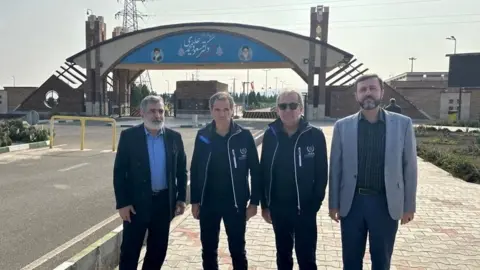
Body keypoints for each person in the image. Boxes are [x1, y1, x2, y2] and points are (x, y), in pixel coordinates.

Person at [328, 74, 418, 270]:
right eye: (363, 89)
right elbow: (335, 168)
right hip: (352, 204)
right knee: (351, 262)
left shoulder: (402, 125)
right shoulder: (342, 127)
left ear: (381, 92)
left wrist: (408, 206)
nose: (368, 93)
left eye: (372, 88)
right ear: (356, 96)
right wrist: (333, 204)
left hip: (385, 204)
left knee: (382, 262)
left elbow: (409, 167)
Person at [113, 95, 188, 270]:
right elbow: (119, 172)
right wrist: (123, 203)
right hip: (136, 205)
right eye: (153, 111)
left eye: (161, 111)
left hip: (163, 203)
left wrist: (181, 198)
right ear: (142, 113)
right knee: (130, 251)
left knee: (157, 250)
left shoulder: (174, 138)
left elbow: (181, 171)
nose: (158, 115)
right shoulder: (129, 137)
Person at [190, 92, 261, 270]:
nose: (222, 114)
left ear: (232, 110)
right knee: (208, 250)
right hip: (208, 203)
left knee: (237, 250)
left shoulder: (243, 136)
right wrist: (195, 200)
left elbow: (256, 171)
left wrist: (254, 203)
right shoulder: (203, 135)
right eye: (217, 109)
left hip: (235, 204)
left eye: (226, 109)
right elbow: (196, 169)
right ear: (211, 111)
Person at [259, 90, 328, 270]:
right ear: (277, 110)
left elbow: (322, 173)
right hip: (278, 208)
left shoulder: (315, 135)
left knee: (307, 257)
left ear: (301, 108)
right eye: (283, 106)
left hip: (305, 208)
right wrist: (265, 204)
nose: (288, 110)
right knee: (283, 256)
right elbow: (264, 171)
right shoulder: (270, 134)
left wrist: (315, 203)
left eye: (293, 105)